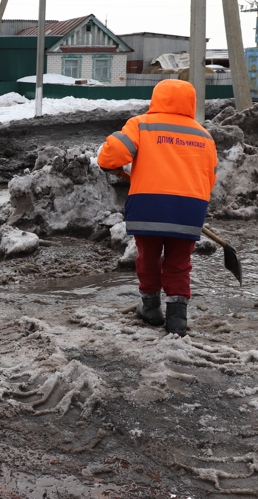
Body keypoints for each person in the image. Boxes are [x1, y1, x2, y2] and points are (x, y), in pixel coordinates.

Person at [97, 79, 217, 336]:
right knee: (179, 262)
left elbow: (110, 156)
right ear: (192, 102)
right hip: (191, 207)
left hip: (149, 203)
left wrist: (114, 163)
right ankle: (177, 318)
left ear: (156, 98)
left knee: (148, 257)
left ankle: (150, 308)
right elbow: (209, 177)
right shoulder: (204, 135)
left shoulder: (141, 124)